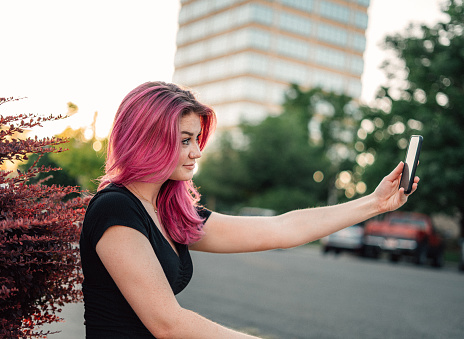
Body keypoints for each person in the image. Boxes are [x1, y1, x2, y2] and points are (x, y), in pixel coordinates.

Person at [79, 81, 419, 338]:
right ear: (146, 138)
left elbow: (282, 229)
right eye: (184, 140)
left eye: (197, 139)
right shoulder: (115, 210)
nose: (197, 152)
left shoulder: (168, 211)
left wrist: (373, 203)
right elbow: (168, 323)